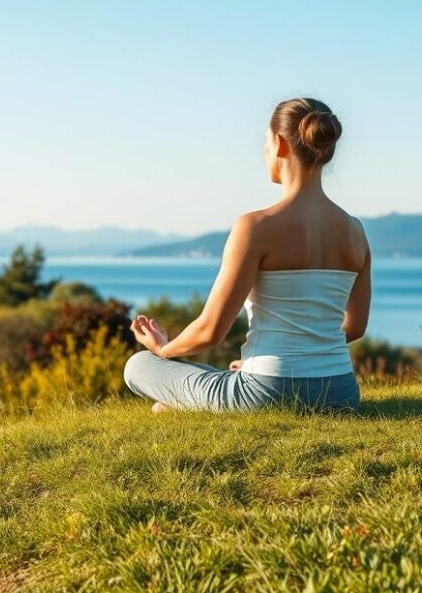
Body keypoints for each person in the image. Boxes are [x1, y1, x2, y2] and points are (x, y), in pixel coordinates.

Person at [124, 97, 369, 413]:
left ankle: (185, 406)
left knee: (139, 366)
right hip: (341, 392)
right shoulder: (355, 231)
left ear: (279, 144)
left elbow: (211, 331)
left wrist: (163, 347)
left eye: (266, 143)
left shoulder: (255, 227)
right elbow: (356, 326)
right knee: (197, 389)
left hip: (267, 392)